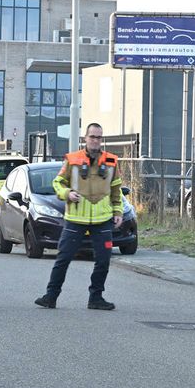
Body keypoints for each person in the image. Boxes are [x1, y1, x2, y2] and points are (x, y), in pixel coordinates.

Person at [34, 122, 123, 311]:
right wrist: (66, 194)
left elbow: (116, 191)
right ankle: (51, 296)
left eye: (99, 137)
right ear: (85, 138)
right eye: (92, 137)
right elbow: (58, 183)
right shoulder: (72, 159)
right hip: (76, 219)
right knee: (63, 258)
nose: (95, 140)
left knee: (104, 260)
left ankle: (96, 298)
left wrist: (118, 212)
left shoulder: (111, 161)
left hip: (102, 220)